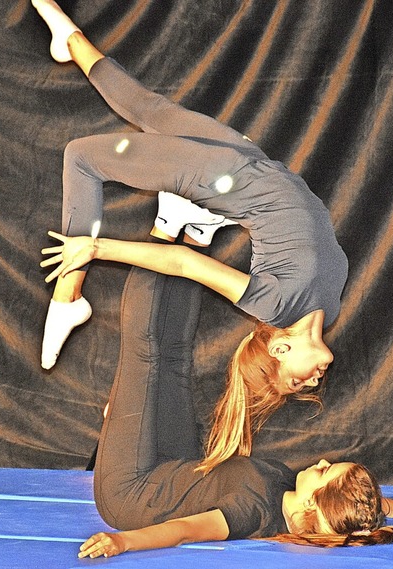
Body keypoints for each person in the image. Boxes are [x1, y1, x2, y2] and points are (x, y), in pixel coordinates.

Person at [33, 0, 348, 471]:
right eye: (305, 386)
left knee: (82, 156)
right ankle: (65, 31)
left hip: (223, 176)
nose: (312, 381)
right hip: (248, 163)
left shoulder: (273, 308)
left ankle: (69, 294)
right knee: (147, 108)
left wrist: (95, 247)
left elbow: (185, 265)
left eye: (296, 382)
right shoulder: (332, 304)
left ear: (281, 349)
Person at [75, 260, 393, 559]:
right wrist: (377, 508)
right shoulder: (292, 493)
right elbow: (352, 514)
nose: (321, 462)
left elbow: (184, 530)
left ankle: (166, 228)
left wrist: (122, 542)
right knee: (176, 356)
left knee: (147, 351)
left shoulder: (251, 513)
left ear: (310, 507)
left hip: (129, 492)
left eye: (324, 472)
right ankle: (193, 232)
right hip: (173, 467)